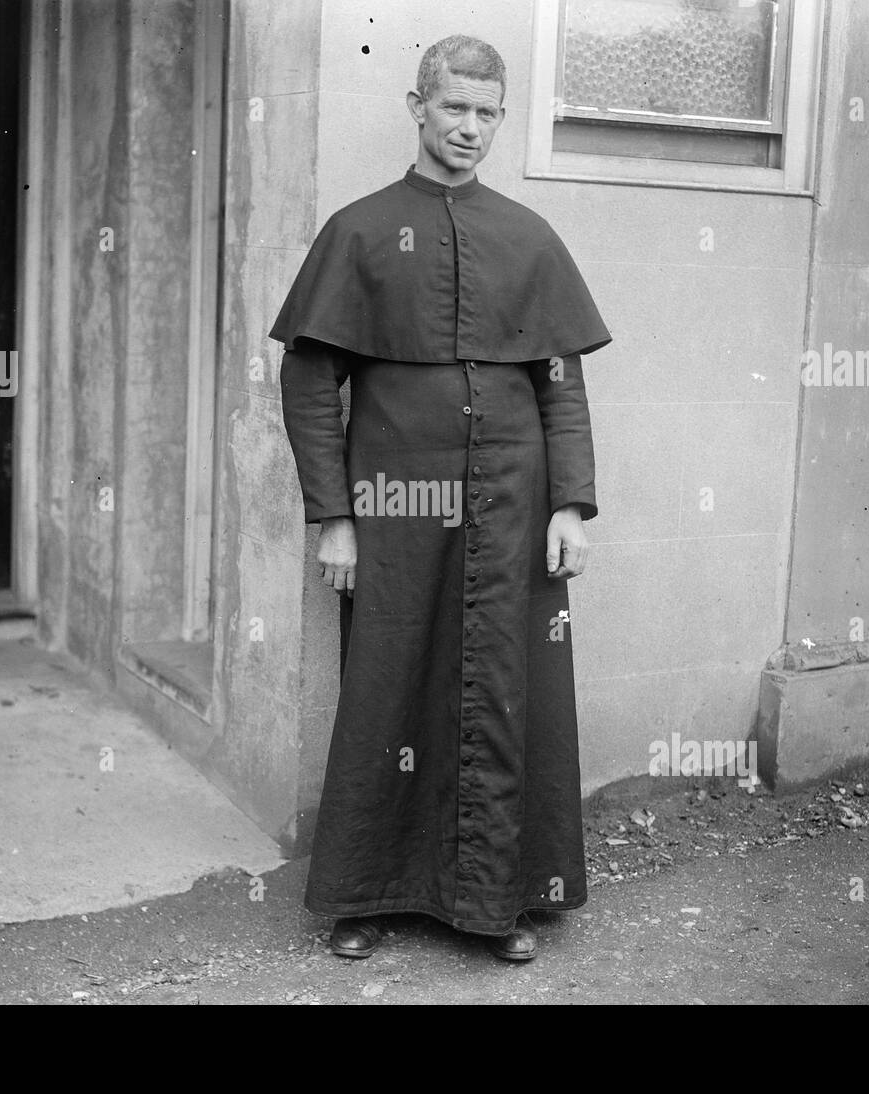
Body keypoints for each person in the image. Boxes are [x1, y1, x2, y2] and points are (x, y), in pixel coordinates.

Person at [273, 34, 610, 962]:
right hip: (395, 499)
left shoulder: (529, 236)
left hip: (513, 495)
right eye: (453, 107)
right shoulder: (357, 229)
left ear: (502, 118)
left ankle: (497, 902)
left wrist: (571, 503)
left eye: (487, 112)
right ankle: (366, 895)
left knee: (507, 689)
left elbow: (559, 382)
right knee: (388, 682)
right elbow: (309, 385)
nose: (468, 128)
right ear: (415, 105)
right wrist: (334, 516)